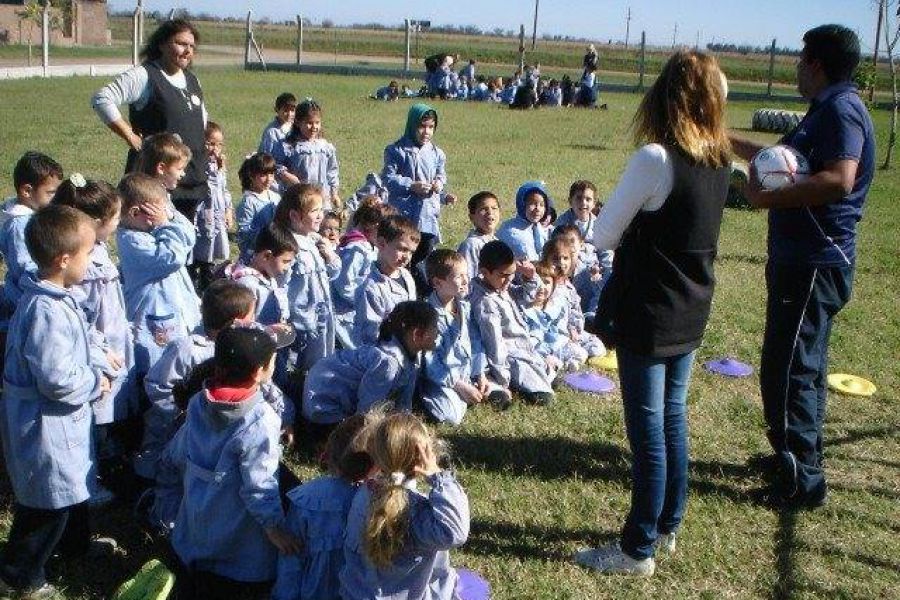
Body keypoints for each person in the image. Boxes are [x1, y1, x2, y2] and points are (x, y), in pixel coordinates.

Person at [575, 51, 732, 576]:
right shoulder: (720, 159)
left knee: (648, 431)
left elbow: (603, 234)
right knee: (673, 418)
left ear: (665, 95)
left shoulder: (656, 158)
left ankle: (637, 547)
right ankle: (668, 525)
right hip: (691, 307)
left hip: (651, 309)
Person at [729, 25, 875, 509]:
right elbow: (778, 159)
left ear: (815, 64)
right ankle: (791, 455)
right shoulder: (823, 112)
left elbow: (838, 179)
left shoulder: (841, 110)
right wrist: (721, 138)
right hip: (802, 260)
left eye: (799, 60)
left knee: (793, 370)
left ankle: (802, 483)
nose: (795, 68)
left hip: (816, 261)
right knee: (795, 367)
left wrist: (766, 198)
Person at [0, 205, 112, 598]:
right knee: (47, 503)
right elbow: (58, 380)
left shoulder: (56, 296)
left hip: (61, 423)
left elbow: (76, 344)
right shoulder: (45, 310)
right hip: (44, 423)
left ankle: (74, 547)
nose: (94, 258)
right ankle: (19, 573)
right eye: (89, 252)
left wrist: (97, 356)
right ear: (65, 260)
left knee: (69, 487)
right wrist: (94, 380)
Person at [156, 325, 301, 599]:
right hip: (239, 553)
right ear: (260, 371)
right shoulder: (261, 419)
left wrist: (167, 504)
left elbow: (173, 456)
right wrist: (274, 528)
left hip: (195, 530)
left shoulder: (199, 402)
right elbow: (260, 485)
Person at [52, 176, 136, 492]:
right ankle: (96, 480)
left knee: (111, 415)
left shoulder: (93, 252)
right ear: (97, 223)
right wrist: (99, 353)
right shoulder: (81, 267)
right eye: (116, 217)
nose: (119, 223)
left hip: (111, 345)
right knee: (97, 422)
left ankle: (111, 464)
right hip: (97, 357)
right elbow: (79, 320)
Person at [134, 280, 257, 482]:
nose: (254, 322)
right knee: (169, 472)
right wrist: (181, 412)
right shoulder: (187, 349)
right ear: (235, 322)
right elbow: (157, 385)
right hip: (174, 431)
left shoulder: (239, 346)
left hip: (212, 430)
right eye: (250, 318)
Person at [339, 413, 470, 600]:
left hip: (358, 595)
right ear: (424, 460)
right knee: (459, 585)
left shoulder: (362, 496)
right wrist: (439, 478)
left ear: (376, 457)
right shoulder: (420, 513)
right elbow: (456, 531)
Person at [92, 19, 209, 221]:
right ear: (161, 44)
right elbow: (102, 99)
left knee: (182, 240)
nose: (188, 50)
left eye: (191, 46)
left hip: (191, 177)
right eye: (181, 43)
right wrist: (129, 134)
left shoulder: (191, 79)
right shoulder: (145, 75)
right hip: (155, 181)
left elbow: (201, 120)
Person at [271, 414, 376, 600]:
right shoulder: (381, 501)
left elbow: (291, 557)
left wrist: (284, 595)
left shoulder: (308, 500)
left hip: (316, 590)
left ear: (329, 453)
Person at [303, 301, 438, 429]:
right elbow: (366, 412)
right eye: (435, 327)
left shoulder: (412, 357)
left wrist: (406, 428)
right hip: (323, 404)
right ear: (417, 334)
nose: (438, 332)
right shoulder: (388, 364)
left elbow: (403, 406)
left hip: (342, 400)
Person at [116, 173, 200, 379]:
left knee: (179, 360)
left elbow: (189, 236)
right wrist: (164, 225)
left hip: (176, 310)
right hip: (155, 318)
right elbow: (171, 257)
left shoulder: (152, 229)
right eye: (158, 211)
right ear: (136, 213)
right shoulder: (132, 240)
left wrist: (170, 217)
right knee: (158, 364)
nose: (165, 216)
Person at [422, 249, 508, 425]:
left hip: (466, 372)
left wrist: (479, 374)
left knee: (497, 391)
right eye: (459, 276)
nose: (466, 281)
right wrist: (458, 385)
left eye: (466, 274)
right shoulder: (428, 315)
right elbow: (431, 362)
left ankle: (479, 388)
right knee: (450, 417)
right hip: (442, 378)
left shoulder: (464, 307)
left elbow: (475, 342)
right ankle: (450, 397)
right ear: (438, 283)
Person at [469, 240, 555, 406]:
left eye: (512, 274)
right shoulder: (485, 301)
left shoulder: (501, 288)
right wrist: (503, 378)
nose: (509, 280)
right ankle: (497, 386)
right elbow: (493, 342)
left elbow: (527, 298)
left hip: (524, 349)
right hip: (510, 358)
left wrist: (531, 277)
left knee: (548, 374)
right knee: (544, 397)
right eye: (503, 275)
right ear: (485, 272)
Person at [382, 103, 455, 292]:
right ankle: (398, 290)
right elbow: (388, 178)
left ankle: (424, 293)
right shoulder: (396, 150)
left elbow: (441, 175)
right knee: (403, 256)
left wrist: (441, 189)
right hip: (406, 215)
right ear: (412, 125)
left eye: (431, 127)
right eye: (422, 126)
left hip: (428, 217)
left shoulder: (437, 153)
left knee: (424, 257)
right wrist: (411, 185)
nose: (426, 132)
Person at [273, 183, 340, 374]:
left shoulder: (315, 242)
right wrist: (301, 322)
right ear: (295, 215)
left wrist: (330, 256)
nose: (321, 216)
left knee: (321, 365)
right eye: (314, 211)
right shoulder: (289, 247)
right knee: (300, 371)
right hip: (303, 325)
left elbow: (331, 277)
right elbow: (282, 288)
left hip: (322, 319)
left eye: (321, 210)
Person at [0, 152, 63, 326]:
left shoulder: (21, 212)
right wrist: (51, 277)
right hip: (25, 296)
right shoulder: (20, 225)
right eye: (51, 193)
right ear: (27, 191)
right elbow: (23, 266)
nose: (55, 198)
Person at [352, 215, 419, 347]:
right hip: (384, 354)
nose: (407, 257)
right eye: (402, 249)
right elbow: (369, 337)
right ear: (382, 243)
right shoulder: (371, 288)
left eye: (411, 252)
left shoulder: (406, 276)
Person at [333, 199, 384, 350]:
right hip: (345, 313)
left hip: (356, 311)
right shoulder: (356, 249)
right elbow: (344, 283)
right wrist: (362, 300)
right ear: (371, 226)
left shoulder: (369, 247)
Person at [274, 99, 341, 212]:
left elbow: (332, 171)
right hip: (298, 197)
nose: (314, 127)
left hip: (321, 198)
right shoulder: (289, 146)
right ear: (298, 122)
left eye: (317, 123)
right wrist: (289, 177)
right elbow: (276, 166)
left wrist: (334, 193)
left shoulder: (325, 147)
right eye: (309, 123)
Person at [231, 223, 298, 327]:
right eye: (285, 261)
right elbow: (241, 326)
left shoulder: (269, 275)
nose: (287, 267)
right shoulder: (247, 285)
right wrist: (268, 330)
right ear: (267, 256)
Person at [193, 121, 233, 292]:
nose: (214, 148)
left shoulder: (219, 165)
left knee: (212, 246)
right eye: (210, 143)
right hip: (204, 212)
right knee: (201, 242)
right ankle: (195, 270)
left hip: (217, 211)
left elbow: (224, 190)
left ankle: (207, 275)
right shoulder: (199, 164)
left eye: (219, 144)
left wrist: (228, 210)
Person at [236, 152, 280, 260]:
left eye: (271, 174)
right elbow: (244, 233)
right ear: (252, 175)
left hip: (274, 250)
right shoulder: (249, 202)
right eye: (263, 175)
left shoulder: (275, 197)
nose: (269, 179)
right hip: (255, 254)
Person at [496, 180, 555, 262]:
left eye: (542, 205)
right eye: (533, 203)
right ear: (522, 204)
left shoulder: (543, 229)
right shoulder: (510, 231)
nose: (537, 209)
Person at [458, 191, 501, 281]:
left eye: (494, 208)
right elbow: (469, 280)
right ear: (471, 217)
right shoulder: (471, 244)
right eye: (483, 209)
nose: (490, 212)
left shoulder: (498, 242)